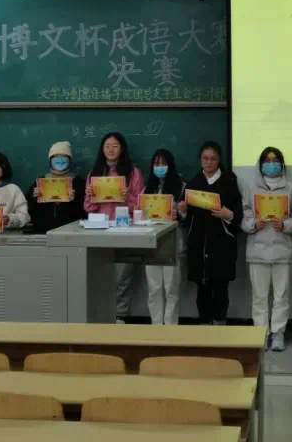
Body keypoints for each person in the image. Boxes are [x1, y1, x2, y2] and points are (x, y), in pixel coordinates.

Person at [241, 146, 292, 351]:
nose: (272, 165)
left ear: (282, 164)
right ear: (261, 165)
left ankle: (278, 333)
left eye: (275, 161)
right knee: (259, 297)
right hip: (257, 251)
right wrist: (254, 224)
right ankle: (261, 333)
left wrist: (285, 225)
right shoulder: (251, 189)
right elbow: (243, 217)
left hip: (282, 251)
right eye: (267, 161)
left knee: (281, 296)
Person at [178, 141, 243, 326]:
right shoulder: (193, 183)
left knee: (221, 287)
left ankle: (220, 325)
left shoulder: (229, 181)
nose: (208, 162)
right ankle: (204, 326)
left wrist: (228, 215)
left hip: (221, 243)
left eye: (213, 159)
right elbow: (185, 219)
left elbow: (238, 213)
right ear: (200, 159)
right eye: (205, 158)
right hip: (199, 244)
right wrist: (183, 210)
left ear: (219, 159)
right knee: (202, 287)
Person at [84, 132, 145, 321]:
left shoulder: (133, 172)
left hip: (125, 230)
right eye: (107, 146)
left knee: (122, 277)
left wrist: (127, 199)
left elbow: (142, 206)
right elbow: (88, 208)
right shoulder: (94, 174)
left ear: (122, 148)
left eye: (115, 146)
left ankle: (120, 315)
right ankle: (100, 315)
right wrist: (90, 195)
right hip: (100, 231)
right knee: (100, 276)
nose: (110, 150)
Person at [144, 148, 186, 325]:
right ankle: (156, 326)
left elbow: (187, 217)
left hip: (173, 242)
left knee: (171, 288)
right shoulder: (147, 188)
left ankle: (170, 327)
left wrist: (180, 213)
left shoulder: (181, 187)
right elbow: (141, 215)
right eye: (156, 163)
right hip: (152, 242)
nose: (159, 167)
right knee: (154, 288)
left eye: (163, 163)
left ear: (171, 165)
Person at [26, 141, 86, 233]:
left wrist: (75, 199)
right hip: (43, 233)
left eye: (64, 156)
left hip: (72, 234)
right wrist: (34, 198)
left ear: (69, 160)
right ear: (50, 160)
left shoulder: (79, 183)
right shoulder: (40, 182)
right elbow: (30, 211)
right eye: (56, 157)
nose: (60, 160)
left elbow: (86, 212)